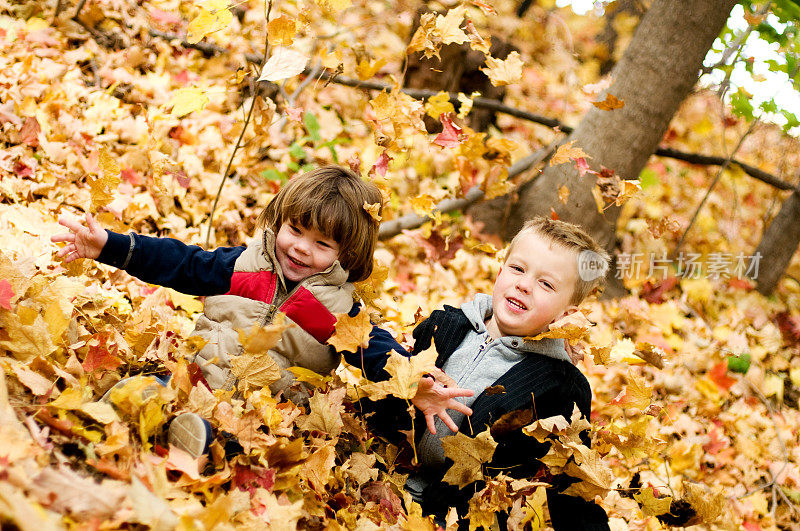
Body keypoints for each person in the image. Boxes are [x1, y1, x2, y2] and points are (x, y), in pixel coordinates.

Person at [52, 165, 383, 457]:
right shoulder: (242, 267)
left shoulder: (338, 311)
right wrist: (110, 246)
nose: (300, 247)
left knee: (237, 441)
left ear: (347, 254)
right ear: (280, 221)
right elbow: (180, 262)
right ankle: (117, 415)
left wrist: (419, 386)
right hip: (196, 382)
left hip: (259, 415)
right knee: (149, 389)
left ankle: (196, 440)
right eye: (295, 230)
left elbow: (379, 352)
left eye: (321, 244)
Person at [344, 217, 611, 530]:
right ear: (500, 273)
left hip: (463, 514)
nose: (524, 284)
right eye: (518, 269)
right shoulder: (445, 325)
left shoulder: (560, 387)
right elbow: (391, 374)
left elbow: (571, 481)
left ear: (566, 314)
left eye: (546, 284)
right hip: (389, 477)